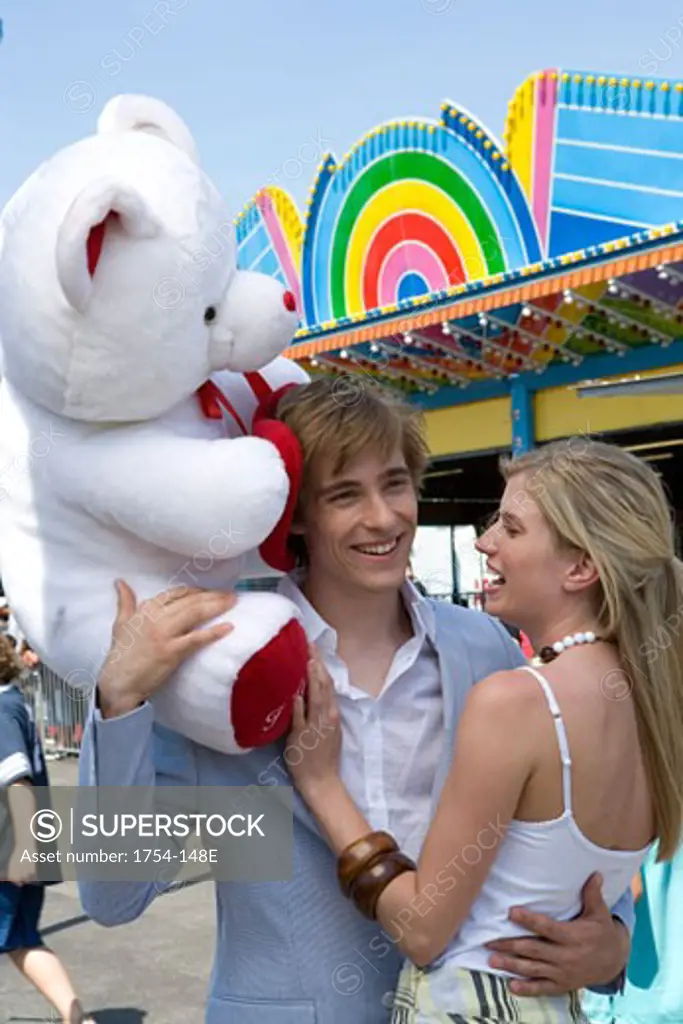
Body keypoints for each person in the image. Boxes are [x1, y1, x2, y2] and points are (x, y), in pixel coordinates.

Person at [77, 378, 634, 1023]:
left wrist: (612, 944)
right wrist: (118, 700)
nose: (384, 517)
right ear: (298, 514)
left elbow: (566, 833)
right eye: (345, 494)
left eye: (395, 483)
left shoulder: (485, 651)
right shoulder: (220, 669)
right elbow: (112, 894)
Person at [284, 435, 683, 1023]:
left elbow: (423, 930)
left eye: (512, 529)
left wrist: (320, 783)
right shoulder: (653, 703)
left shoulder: (516, 701)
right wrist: (611, 949)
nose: (485, 542)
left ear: (581, 567)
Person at [0, 632, 95, 1023]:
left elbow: (16, 780)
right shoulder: (12, 703)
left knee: (18, 939)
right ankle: (78, 1019)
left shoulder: (1, 711)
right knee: (21, 940)